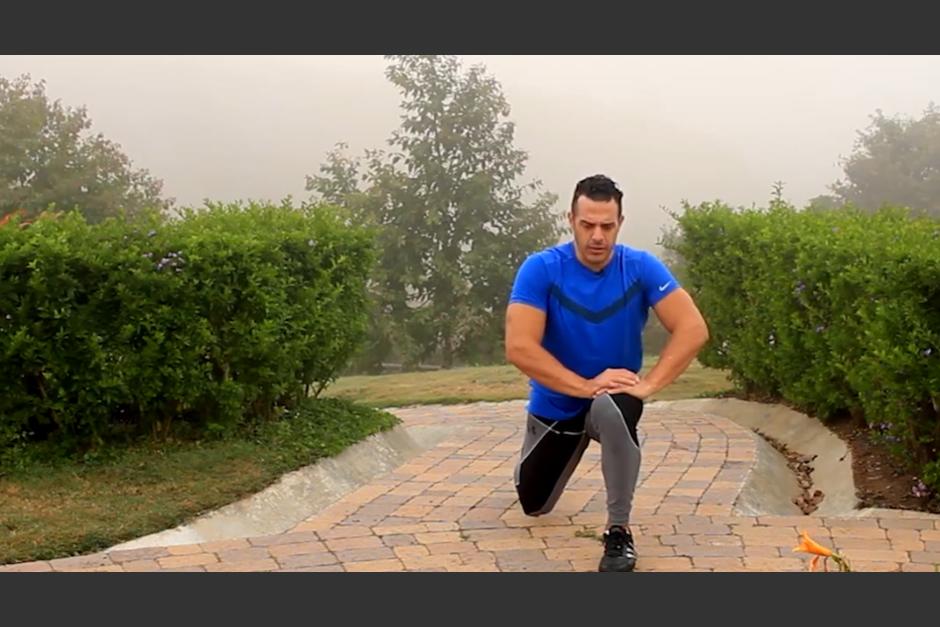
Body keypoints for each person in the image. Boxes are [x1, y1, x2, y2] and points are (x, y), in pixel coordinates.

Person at [504, 174, 709, 572]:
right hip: (557, 404)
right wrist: (584, 386)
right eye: (587, 225)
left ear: (620, 222)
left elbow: (693, 328)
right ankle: (540, 456)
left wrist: (648, 385)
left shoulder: (639, 267)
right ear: (571, 220)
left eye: (607, 225)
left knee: (614, 410)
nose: (597, 236)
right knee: (534, 504)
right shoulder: (541, 269)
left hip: (613, 395)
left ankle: (618, 531)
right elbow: (519, 346)